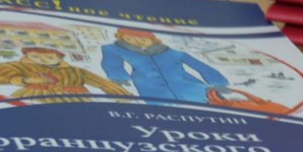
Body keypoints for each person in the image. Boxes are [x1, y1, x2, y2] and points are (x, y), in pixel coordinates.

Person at [99, 27, 233, 103]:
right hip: (152, 90)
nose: (136, 42)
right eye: (129, 39)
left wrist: (218, 83)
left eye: (142, 39)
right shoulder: (114, 49)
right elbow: (112, 63)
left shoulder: (173, 53)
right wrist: (119, 78)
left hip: (190, 88)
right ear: (121, 38)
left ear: (153, 39)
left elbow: (200, 66)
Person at [0, 43, 128, 101]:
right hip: (36, 96)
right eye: (35, 56)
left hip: (75, 99)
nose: (42, 59)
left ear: (58, 58)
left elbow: (103, 83)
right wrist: (25, 80)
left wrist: (122, 97)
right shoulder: (17, 66)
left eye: (49, 57)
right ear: (27, 56)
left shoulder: (75, 71)